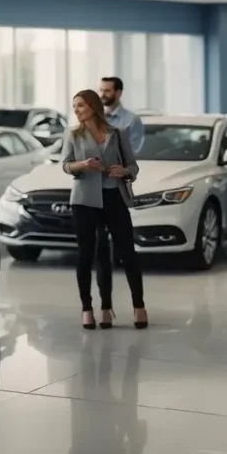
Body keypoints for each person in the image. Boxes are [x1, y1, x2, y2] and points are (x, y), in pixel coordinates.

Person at [61, 89, 147, 330]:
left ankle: (139, 306)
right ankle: (90, 308)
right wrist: (83, 164)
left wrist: (125, 171)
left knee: (127, 253)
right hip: (84, 201)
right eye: (74, 106)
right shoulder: (72, 134)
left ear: (92, 106)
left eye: (80, 105)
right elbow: (65, 165)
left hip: (114, 197)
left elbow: (133, 165)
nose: (76, 110)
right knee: (89, 255)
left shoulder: (117, 133)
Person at [94, 76, 145, 296]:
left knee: (126, 250)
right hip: (92, 193)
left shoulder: (129, 121)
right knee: (99, 250)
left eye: (107, 90)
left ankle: (138, 303)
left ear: (118, 93)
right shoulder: (91, 120)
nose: (103, 94)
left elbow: (131, 156)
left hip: (115, 190)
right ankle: (104, 305)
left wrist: (117, 167)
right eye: (101, 90)